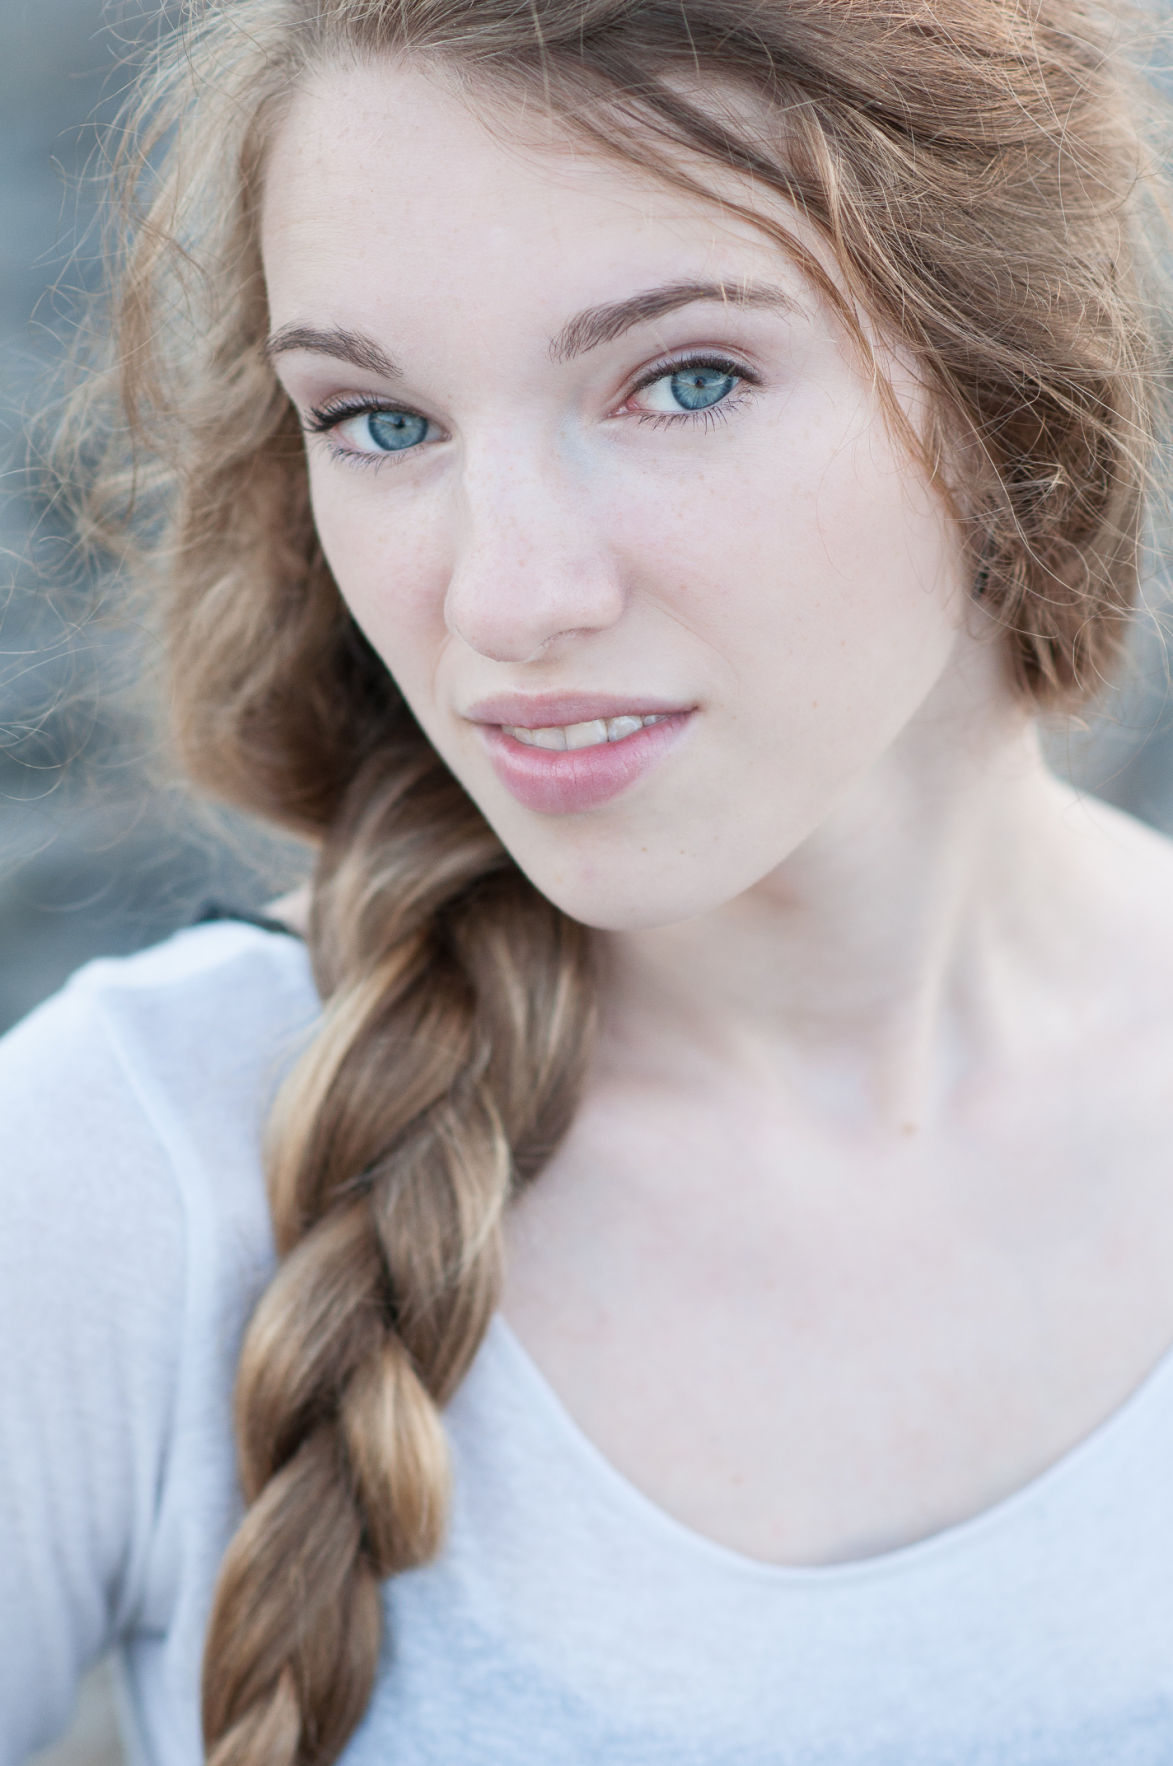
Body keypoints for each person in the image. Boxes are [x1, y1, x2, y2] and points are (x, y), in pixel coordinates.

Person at [4, 0, 1173, 1760]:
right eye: (378, 419)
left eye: (682, 380)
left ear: (1013, 383)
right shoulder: (137, 1163)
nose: (504, 597)